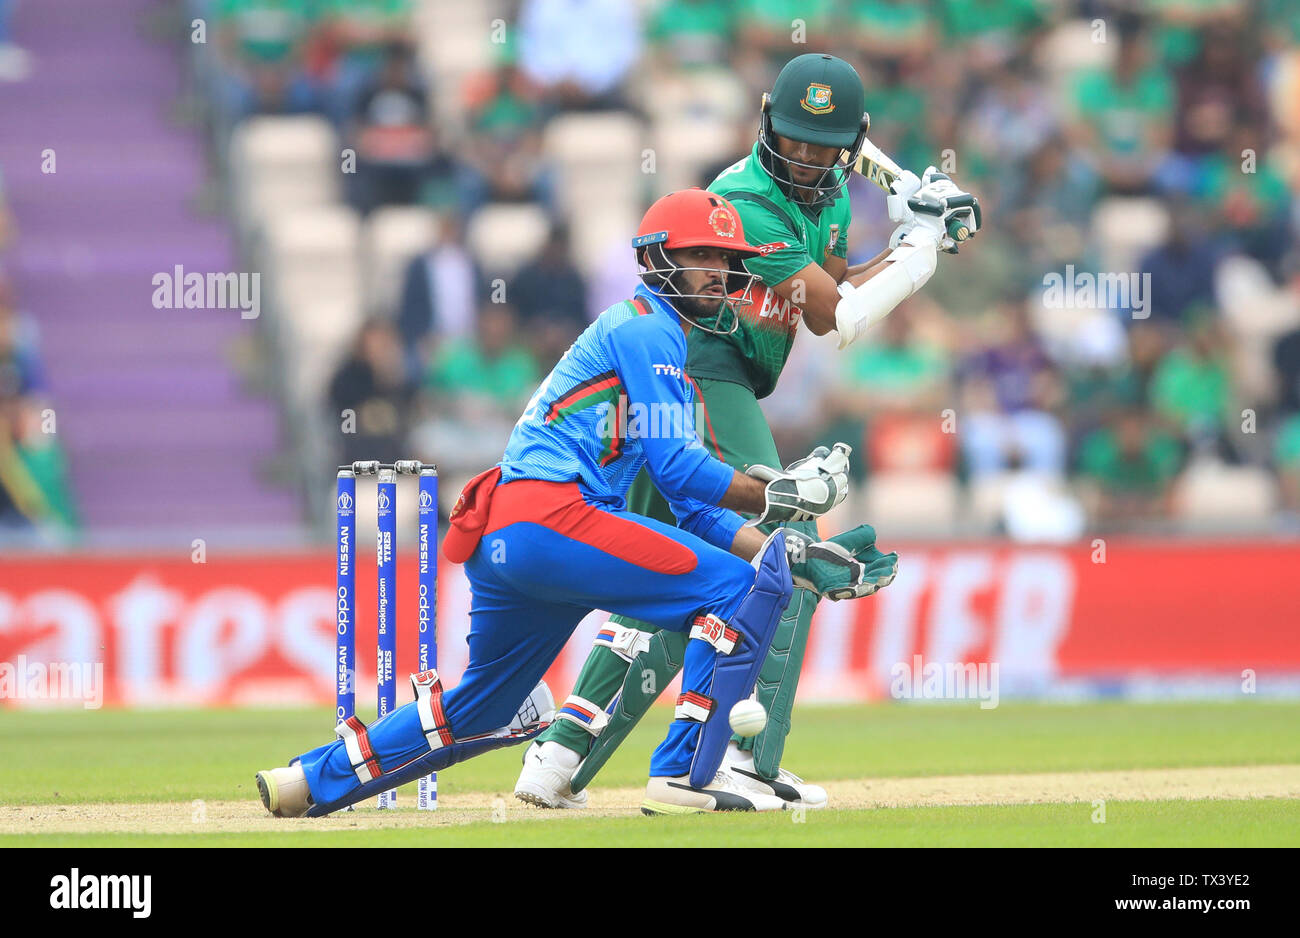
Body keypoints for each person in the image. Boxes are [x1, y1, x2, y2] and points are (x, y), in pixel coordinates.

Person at [256, 188, 890, 817]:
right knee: (733, 591)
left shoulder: (661, 357)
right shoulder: (650, 330)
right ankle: (684, 774)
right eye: (703, 256)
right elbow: (681, 468)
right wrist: (781, 493)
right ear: (658, 258)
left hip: (511, 537)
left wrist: (794, 548)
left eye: (727, 261)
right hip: (554, 516)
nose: (720, 274)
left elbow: (692, 506)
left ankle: (309, 780)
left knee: (484, 706)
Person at [517, 53, 975, 809]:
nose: (800, 158)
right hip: (702, 371)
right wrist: (923, 248)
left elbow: (830, 297)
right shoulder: (742, 201)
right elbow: (847, 319)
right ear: (765, 118)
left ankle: (561, 757)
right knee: (789, 547)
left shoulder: (828, 205)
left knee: (660, 572)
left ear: (850, 143)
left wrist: (905, 240)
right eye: (790, 139)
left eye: (819, 147)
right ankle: (741, 757)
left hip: (688, 386)